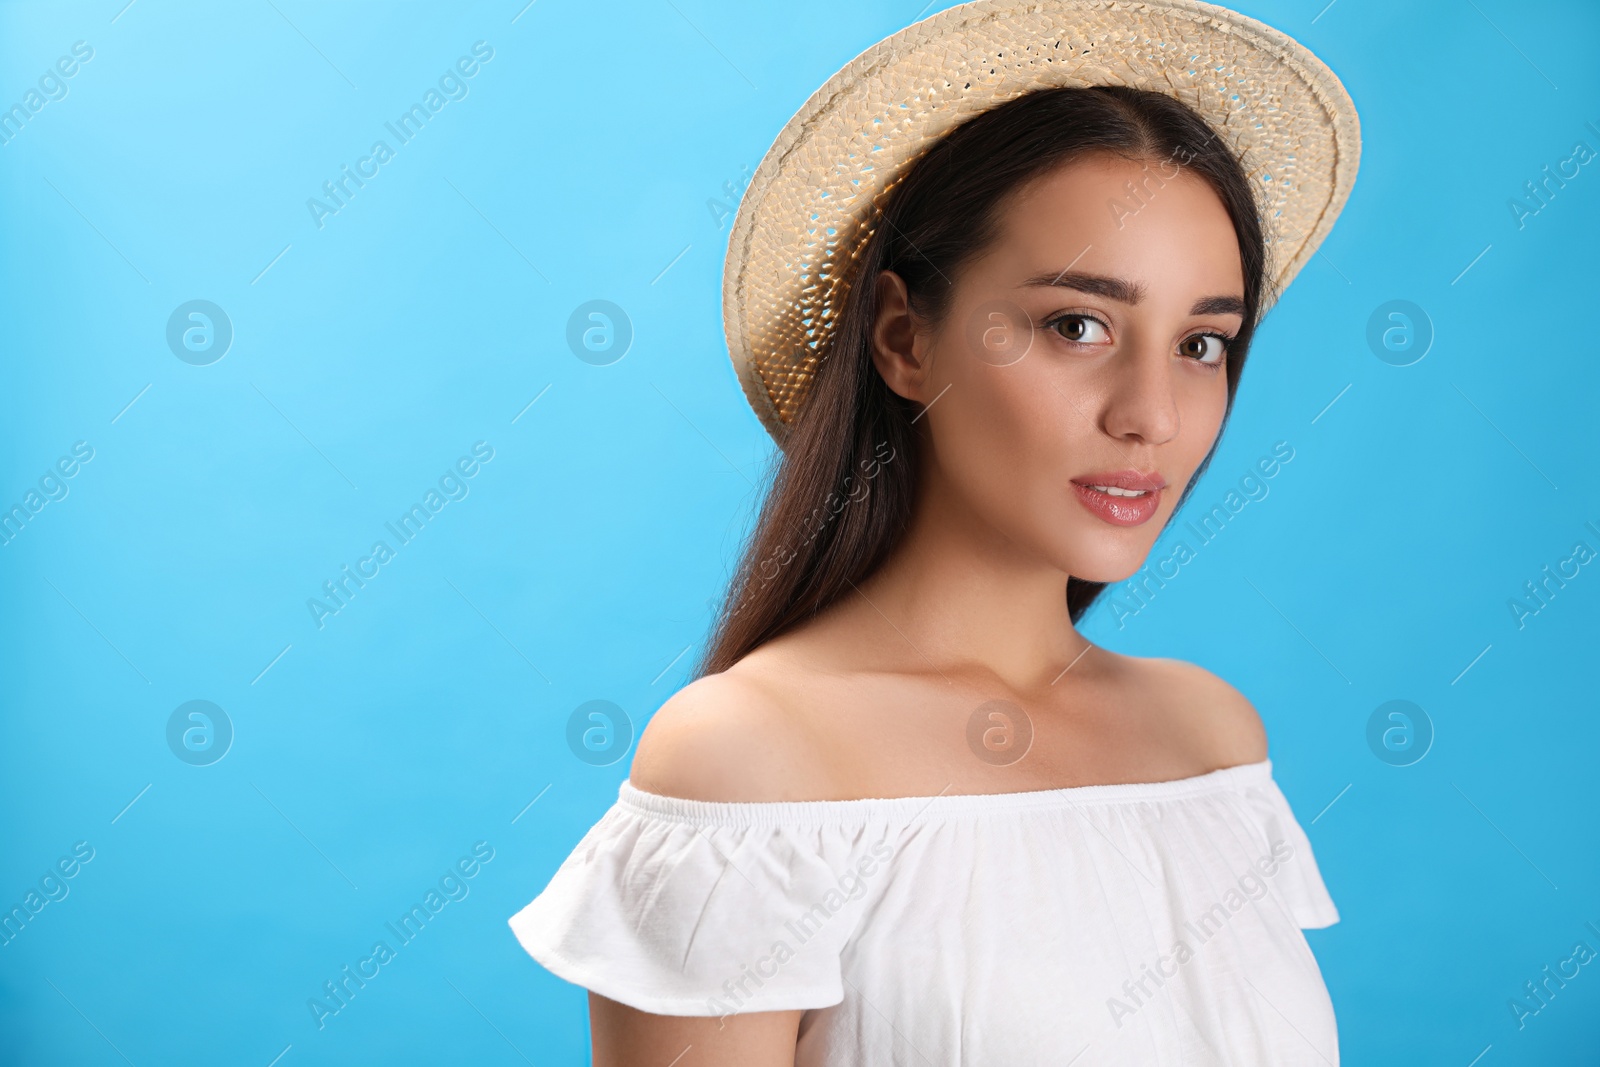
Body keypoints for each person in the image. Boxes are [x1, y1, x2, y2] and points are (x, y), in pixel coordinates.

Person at [510, 1, 1361, 1063]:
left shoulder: (1208, 740)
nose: (1151, 413)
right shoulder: (749, 762)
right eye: (1078, 325)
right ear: (904, 337)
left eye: (1200, 342)